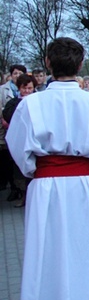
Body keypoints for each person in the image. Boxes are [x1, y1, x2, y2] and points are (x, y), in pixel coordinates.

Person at [6, 37, 89, 300]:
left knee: (46, 257)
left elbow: (18, 150)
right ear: (81, 64)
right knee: (85, 256)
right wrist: (85, 170)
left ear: (47, 63)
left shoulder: (30, 104)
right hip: (82, 187)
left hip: (46, 187)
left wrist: (41, 171)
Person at [2, 74, 37, 208]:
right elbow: (7, 115)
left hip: (34, 139)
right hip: (20, 139)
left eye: (30, 88)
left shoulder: (38, 100)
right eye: (24, 88)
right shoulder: (14, 102)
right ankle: (23, 195)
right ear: (19, 88)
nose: (27, 91)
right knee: (20, 170)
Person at [1, 64, 27, 202]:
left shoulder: (33, 94)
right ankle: (15, 189)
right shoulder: (3, 90)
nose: (17, 75)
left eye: (20, 73)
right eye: (15, 73)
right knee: (10, 162)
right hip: (8, 129)